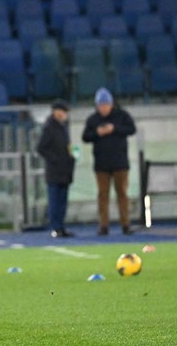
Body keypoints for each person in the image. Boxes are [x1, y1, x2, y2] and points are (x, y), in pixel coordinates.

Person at [82, 88, 136, 236]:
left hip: (120, 163)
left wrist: (114, 129)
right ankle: (104, 225)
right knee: (102, 195)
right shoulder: (93, 120)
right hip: (101, 164)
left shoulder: (122, 116)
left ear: (111, 104)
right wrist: (97, 133)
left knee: (122, 194)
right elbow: (85, 137)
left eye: (106, 105)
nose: (103, 108)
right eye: (101, 105)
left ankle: (125, 224)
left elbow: (132, 129)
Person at [37, 100, 76, 238]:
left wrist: (71, 158)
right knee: (55, 200)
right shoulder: (49, 128)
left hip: (65, 170)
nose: (64, 114)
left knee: (62, 201)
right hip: (54, 171)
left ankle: (61, 226)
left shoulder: (64, 127)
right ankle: (55, 227)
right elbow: (41, 148)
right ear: (55, 112)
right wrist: (54, 159)